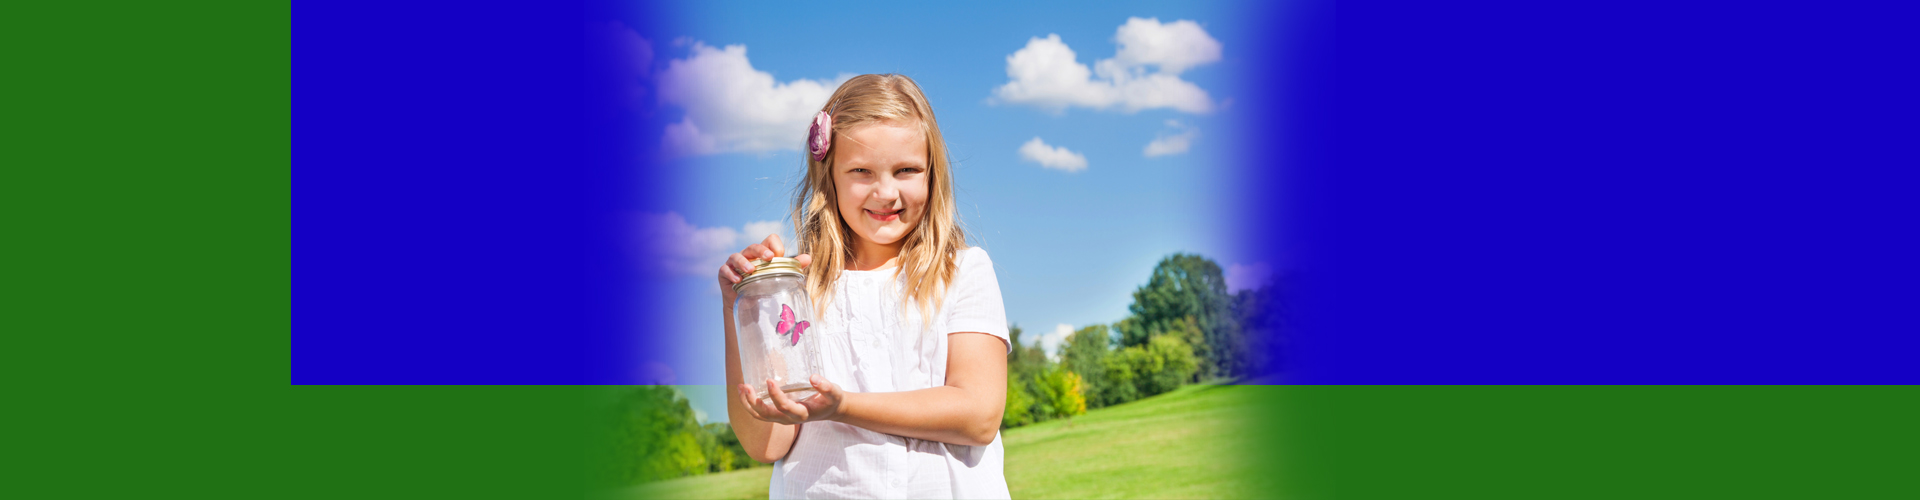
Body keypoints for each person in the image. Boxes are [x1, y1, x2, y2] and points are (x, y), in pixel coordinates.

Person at [718, 74, 1012, 499]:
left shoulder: (962, 271)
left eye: (907, 170)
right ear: (829, 176)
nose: (886, 191)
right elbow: (766, 443)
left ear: (932, 173)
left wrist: (844, 407)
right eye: (861, 171)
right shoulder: (799, 289)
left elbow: (978, 415)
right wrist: (740, 305)